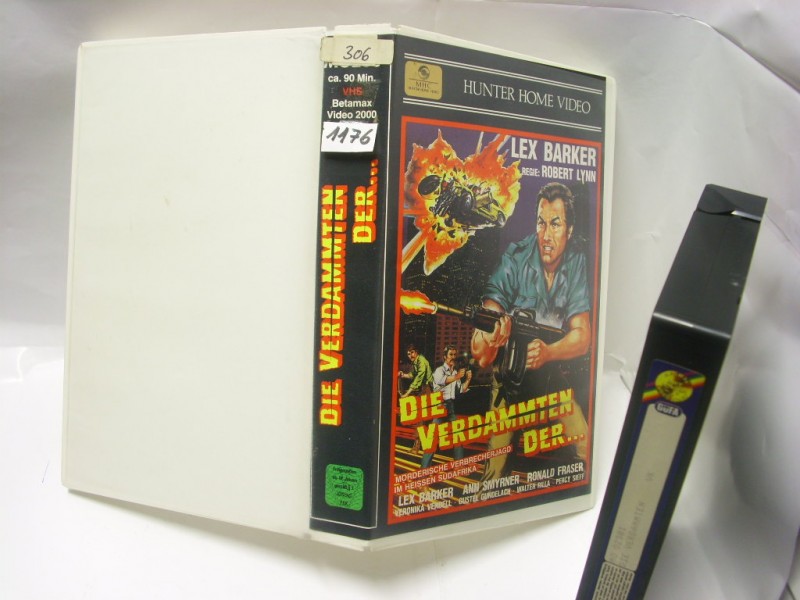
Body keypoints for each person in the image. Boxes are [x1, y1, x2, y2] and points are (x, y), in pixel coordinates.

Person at [471, 182, 591, 479]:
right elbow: (481, 352)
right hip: (510, 376)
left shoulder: (576, 260)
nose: (546, 235)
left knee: (586, 444)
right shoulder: (515, 259)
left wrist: (549, 352)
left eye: (555, 224)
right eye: (540, 223)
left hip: (548, 373)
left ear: (569, 230)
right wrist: (491, 339)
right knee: (496, 469)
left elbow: (582, 336)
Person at [420, 345, 472, 469]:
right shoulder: (439, 371)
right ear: (444, 357)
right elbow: (443, 381)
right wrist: (457, 377)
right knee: (432, 440)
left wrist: (468, 379)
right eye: (450, 355)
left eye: (454, 355)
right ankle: (424, 470)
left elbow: (460, 390)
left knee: (458, 436)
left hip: (451, 406)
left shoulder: (455, 372)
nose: (453, 357)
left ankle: (458, 465)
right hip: (440, 406)